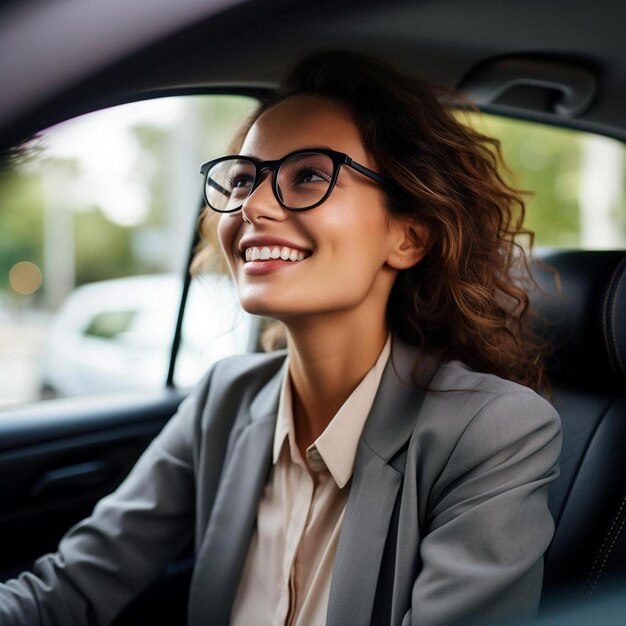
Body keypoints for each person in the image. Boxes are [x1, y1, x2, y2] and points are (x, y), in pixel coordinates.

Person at [0, 51, 561, 626]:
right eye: (244, 178)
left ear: (409, 238)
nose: (254, 205)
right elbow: (69, 588)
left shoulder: (493, 432)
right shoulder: (226, 398)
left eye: (311, 175)